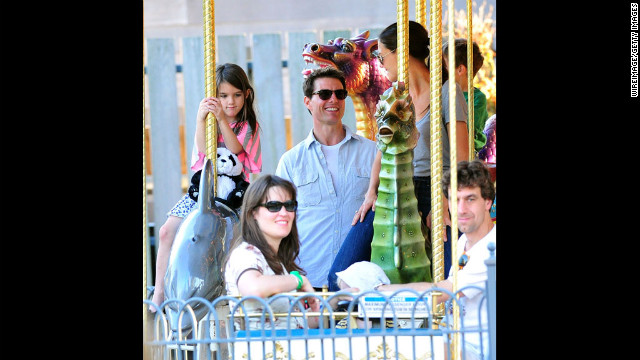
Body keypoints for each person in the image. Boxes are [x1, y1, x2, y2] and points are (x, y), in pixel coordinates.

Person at [327, 21, 469, 290]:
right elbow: (383, 147)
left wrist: (445, 199)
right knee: (338, 276)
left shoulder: (447, 93)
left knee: (450, 279)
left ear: (401, 53)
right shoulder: (393, 94)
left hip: (436, 189)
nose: (380, 64)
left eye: (382, 56)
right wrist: (371, 192)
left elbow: (461, 157)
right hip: (393, 187)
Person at [151, 63, 262, 310]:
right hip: (205, 193)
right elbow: (203, 151)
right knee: (167, 231)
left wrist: (221, 118)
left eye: (236, 95)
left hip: (234, 197)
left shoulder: (247, 127)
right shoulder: (211, 124)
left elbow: (235, 149)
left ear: (246, 95)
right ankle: (159, 290)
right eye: (223, 96)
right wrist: (201, 120)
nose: (230, 102)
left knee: (237, 243)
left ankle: (231, 292)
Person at [376, 159, 496, 360]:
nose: (462, 209)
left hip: (477, 348)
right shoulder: (464, 242)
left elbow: (442, 292)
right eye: (454, 199)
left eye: (470, 199)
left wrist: (380, 291)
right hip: (455, 336)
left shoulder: (490, 247)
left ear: (487, 202)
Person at [275, 67, 378, 290]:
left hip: (359, 284)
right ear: (307, 102)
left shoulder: (373, 153)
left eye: (340, 94)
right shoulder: (291, 162)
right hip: (308, 283)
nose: (334, 99)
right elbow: (278, 224)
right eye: (324, 94)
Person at [224, 174, 356, 330]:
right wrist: (299, 280)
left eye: (289, 205)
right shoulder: (246, 253)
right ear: (253, 213)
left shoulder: (278, 262)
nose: (284, 212)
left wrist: (336, 299)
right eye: (273, 206)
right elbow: (253, 288)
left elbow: (299, 324)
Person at [443, 38, 489, 155]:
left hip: (468, 150)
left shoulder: (478, 98)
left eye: (445, 66)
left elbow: (467, 129)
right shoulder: (444, 92)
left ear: (460, 69)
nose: (442, 71)